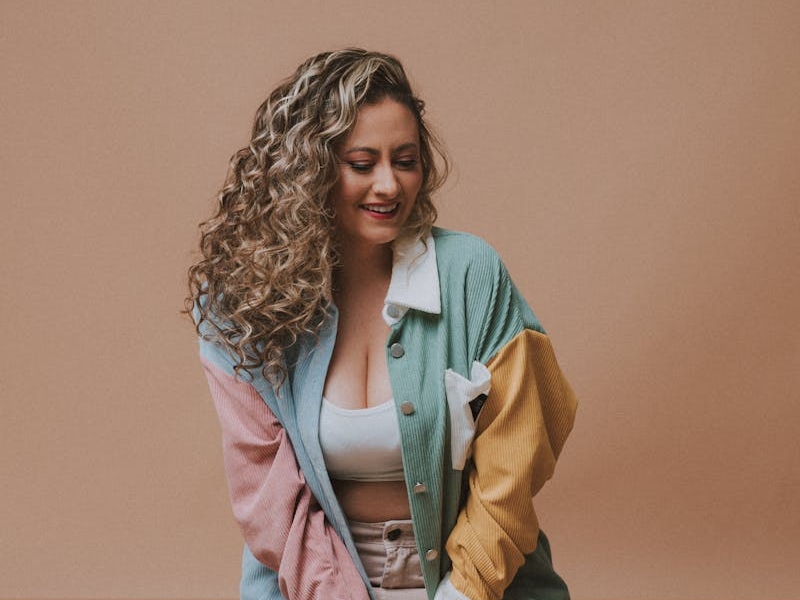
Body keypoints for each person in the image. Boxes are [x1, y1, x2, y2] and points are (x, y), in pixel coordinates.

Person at [187, 48, 578, 600]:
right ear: (311, 170)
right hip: (311, 589)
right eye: (362, 163)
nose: (390, 186)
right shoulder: (243, 304)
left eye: (406, 160)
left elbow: (511, 473)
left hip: (478, 586)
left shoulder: (472, 275)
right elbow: (269, 505)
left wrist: (459, 595)